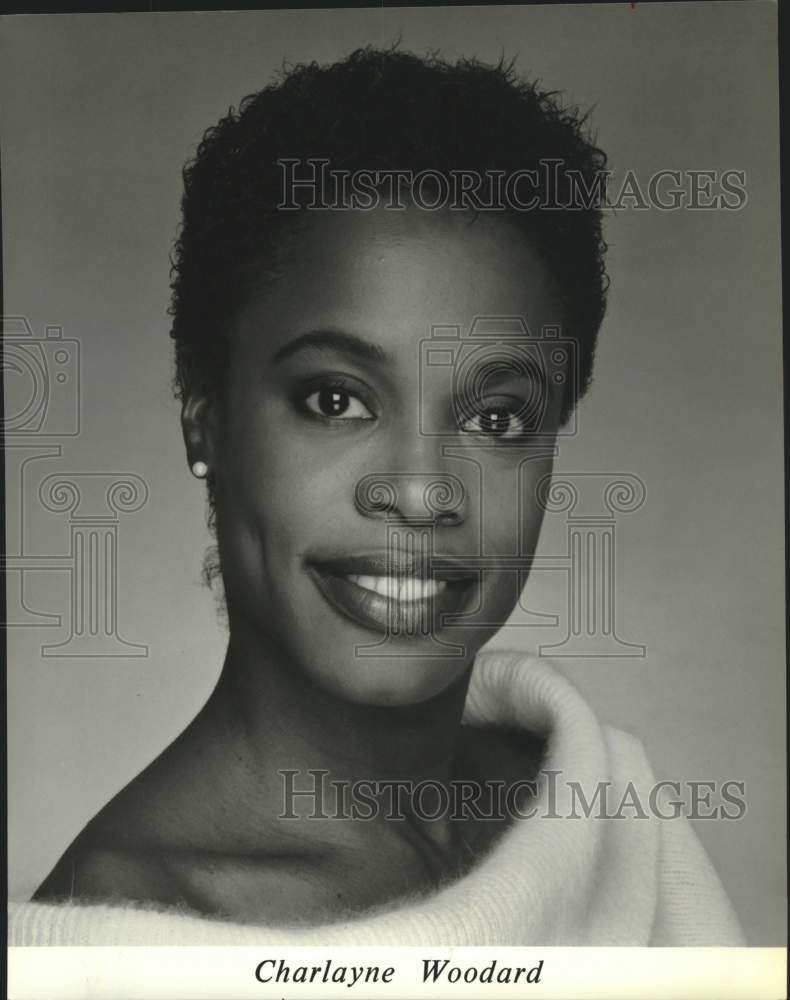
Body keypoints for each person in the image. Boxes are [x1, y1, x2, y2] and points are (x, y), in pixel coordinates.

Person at [10, 47, 743, 946]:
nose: (424, 490)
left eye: (499, 417)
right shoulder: (113, 937)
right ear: (206, 420)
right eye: (336, 400)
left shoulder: (608, 816)